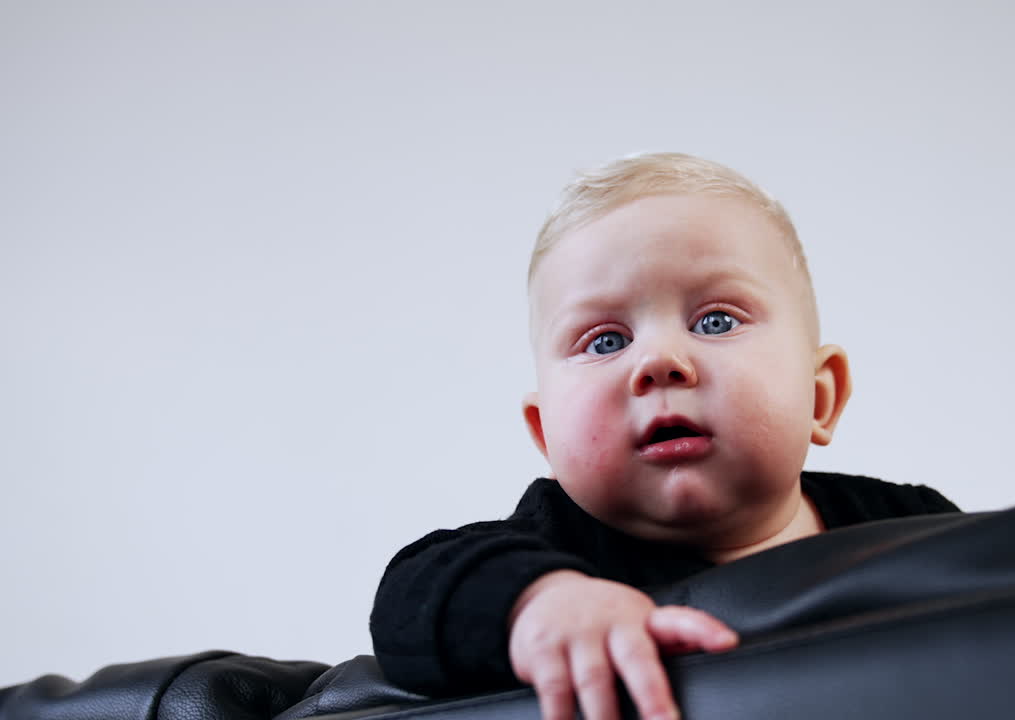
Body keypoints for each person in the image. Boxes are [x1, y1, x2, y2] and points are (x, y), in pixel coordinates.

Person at [370, 152, 959, 720]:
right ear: (546, 436)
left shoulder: (904, 524)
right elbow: (412, 597)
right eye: (605, 340)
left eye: (716, 321)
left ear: (821, 398)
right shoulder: (554, 550)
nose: (658, 361)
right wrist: (539, 604)